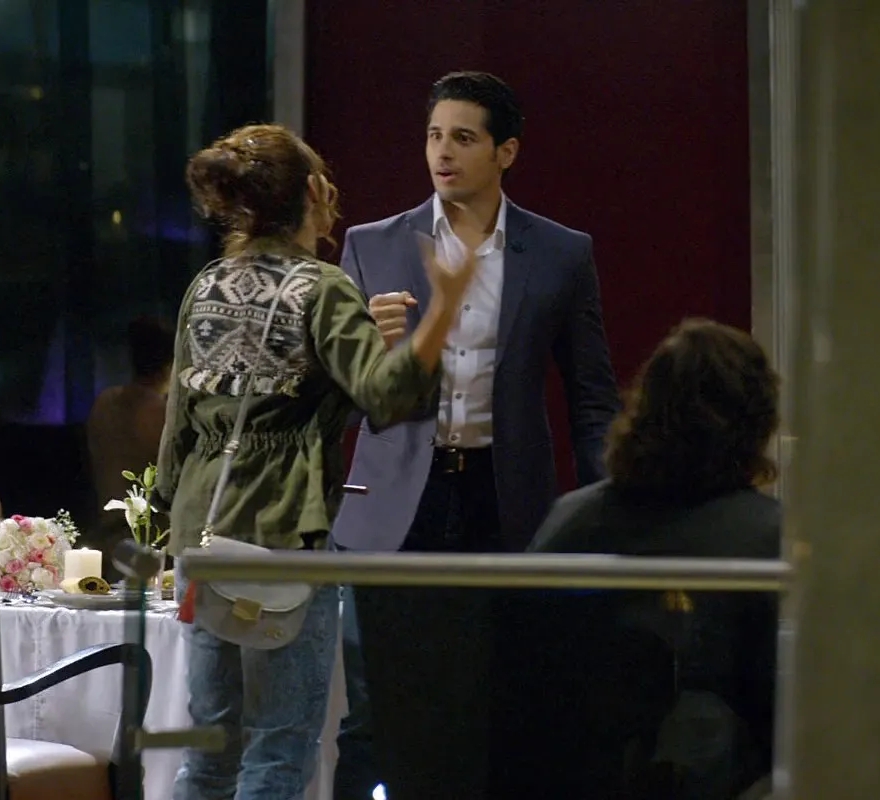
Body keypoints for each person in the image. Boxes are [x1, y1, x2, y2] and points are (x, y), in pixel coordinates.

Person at [155, 123, 476, 800]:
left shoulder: (207, 284)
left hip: (200, 535)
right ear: (310, 192)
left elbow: (178, 426)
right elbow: (386, 396)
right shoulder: (322, 287)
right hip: (283, 534)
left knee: (209, 749)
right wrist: (442, 313)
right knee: (278, 750)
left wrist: (169, 526)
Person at [328, 71, 622, 798]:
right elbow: (341, 403)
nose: (442, 152)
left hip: (503, 499)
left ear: (506, 152)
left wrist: (612, 509)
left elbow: (592, 398)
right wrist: (374, 351)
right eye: (434, 135)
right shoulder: (371, 245)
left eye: (463, 137)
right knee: (372, 717)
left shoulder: (560, 254)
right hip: (394, 504)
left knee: (502, 707)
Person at [528, 318, 782, 796]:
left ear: (644, 405)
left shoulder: (570, 522)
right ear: (756, 424)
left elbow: (523, 691)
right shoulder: (773, 541)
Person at [85, 315, 173, 567]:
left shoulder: (104, 403)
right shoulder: (163, 415)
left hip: (107, 534)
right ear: (171, 365)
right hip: (152, 538)